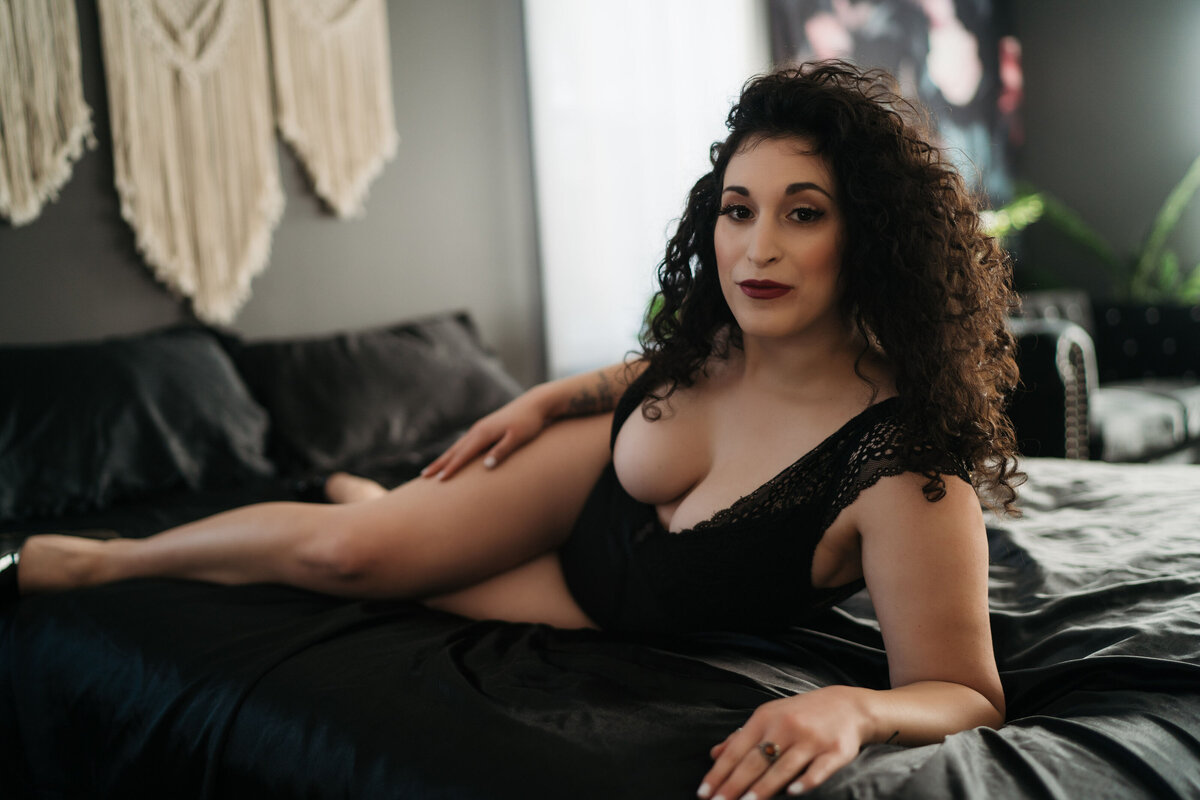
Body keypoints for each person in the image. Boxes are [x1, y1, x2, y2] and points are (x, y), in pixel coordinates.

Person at [3, 60, 1021, 799]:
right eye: (737, 208)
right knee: (347, 550)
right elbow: (657, 373)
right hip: (579, 477)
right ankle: (91, 562)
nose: (755, 247)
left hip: (605, 592)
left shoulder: (902, 464)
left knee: (381, 558)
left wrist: (854, 706)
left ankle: (382, 499)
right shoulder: (727, 339)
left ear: (871, 235)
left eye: (803, 213)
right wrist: (543, 399)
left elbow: (965, 689)